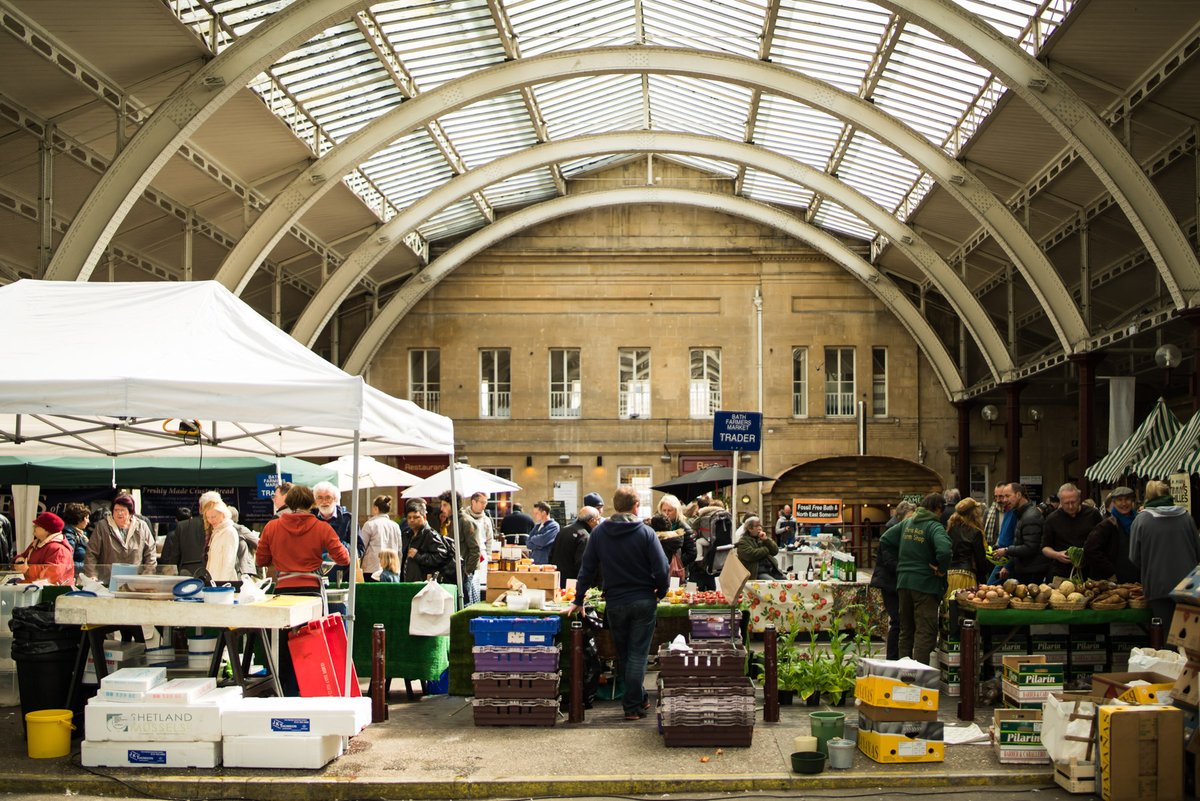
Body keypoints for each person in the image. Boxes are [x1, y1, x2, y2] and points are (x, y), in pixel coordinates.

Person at [568, 486, 669, 721]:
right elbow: (662, 568)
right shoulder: (646, 532)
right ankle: (633, 705)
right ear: (636, 506)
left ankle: (639, 698)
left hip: (614, 602)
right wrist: (661, 592)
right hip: (643, 600)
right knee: (637, 655)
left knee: (625, 656)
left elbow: (587, 568)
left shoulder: (600, 534)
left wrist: (579, 598)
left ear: (615, 506)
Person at [255, 484, 349, 696]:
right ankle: (310, 689)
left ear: (289, 504)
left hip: (284, 591)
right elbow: (344, 558)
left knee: (283, 644)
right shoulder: (322, 527)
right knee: (311, 643)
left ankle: (285, 692)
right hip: (311, 592)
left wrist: (280, 556)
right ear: (312, 504)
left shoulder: (272, 527)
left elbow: (261, 559)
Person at [878, 493, 950, 666]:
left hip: (903, 583)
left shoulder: (907, 523)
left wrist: (903, 560)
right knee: (925, 631)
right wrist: (941, 569)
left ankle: (904, 672)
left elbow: (885, 539)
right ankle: (919, 676)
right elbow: (945, 551)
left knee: (906, 630)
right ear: (938, 509)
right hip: (925, 584)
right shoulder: (934, 527)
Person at [1131, 479, 1200, 624]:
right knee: (1186, 635)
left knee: (1165, 633)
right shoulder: (1186, 518)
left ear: (1148, 497)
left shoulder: (1141, 520)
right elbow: (1197, 551)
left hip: (1157, 587)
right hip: (1189, 587)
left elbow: (1134, 557)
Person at [85, 494, 157, 578]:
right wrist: (92, 575)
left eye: (122, 510)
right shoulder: (102, 526)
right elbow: (91, 553)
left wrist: (147, 576)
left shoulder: (142, 526)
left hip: (136, 580)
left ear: (130, 512)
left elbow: (150, 553)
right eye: (116, 510)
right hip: (107, 579)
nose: (119, 513)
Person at [1041, 483, 1101, 579]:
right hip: (1061, 572)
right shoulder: (1052, 519)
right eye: (1066, 503)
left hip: (1090, 571)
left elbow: (1102, 540)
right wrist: (1057, 555)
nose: (1070, 506)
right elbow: (1045, 547)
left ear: (1079, 499)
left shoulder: (1093, 514)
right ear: (1060, 502)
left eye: (1073, 502)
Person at [872, 508, 909, 661]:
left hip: (891, 581)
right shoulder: (892, 530)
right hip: (890, 583)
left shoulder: (895, 528)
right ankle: (893, 658)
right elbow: (889, 562)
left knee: (898, 622)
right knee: (897, 622)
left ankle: (896, 657)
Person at [991, 483, 1047, 585]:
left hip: (1031, 571)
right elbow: (1019, 543)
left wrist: (1007, 550)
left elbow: (1030, 548)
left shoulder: (1030, 516)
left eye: (1007, 496)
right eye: (1003, 497)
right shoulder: (1022, 514)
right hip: (1026, 568)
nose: (1004, 500)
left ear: (1018, 495)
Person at [1084, 486, 1139, 582]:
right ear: (1113, 502)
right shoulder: (1107, 525)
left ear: (1132, 501)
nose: (1124, 503)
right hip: (1116, 582)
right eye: (1119, 500)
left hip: (1136, 579)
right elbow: (1090, 549)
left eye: (1127, 499)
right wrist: (1110, 572)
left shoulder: (1138, 522)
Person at [161, 490, 221, 577]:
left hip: (187, 577)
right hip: (216, 577)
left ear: (200, 508)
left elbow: (174, 558)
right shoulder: (223, 527)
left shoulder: (182, 526)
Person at [312, 481, 361, 584]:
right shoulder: (310, 519)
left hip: (342, 578)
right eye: (320, 498)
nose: (324, 501)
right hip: (315, 578)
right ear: (315, 501)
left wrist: (342, 549)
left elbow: (360, 549)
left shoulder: (348, 519)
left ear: (335, 499)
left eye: (328, 497)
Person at [439, 492, 481, 603]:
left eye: (445, 505)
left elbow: (475, 550)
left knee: (465, 603)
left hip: (464, 573)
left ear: (453, 505)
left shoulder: (465, 521)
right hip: (453, 572)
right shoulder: (451, 521)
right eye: (441, 505)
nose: (441, 508)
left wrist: (467, 571)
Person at [944, 497, 990, 600]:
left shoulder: (950, 529)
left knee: (950, 610)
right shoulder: (975, 532)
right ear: (974, 513)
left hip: (949, 576)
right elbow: (980, 561)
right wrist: (983, 577)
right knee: (966, 610)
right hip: (966, 576)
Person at [12, 512, 73, 584]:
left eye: (37, 525)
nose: (33, 527)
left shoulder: (58, 549)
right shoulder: (36, 543)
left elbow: (53, 573)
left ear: (47, 530)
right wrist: (19, 559)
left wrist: (28, 570)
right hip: (31, 588)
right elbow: (23, 556)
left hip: (49, 592)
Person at [401, 500, 452, 583]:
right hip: (410, 583)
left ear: (424, 517)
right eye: (409, 517)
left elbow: (441, 555)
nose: (412, 520)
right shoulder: (408, 534)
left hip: (424, 585)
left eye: (416, 517)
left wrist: (418, 556)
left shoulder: (430, 534)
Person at [550, 506, 600, 586]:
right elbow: (581, 563)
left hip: (557, 579)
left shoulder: (563, 530)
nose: (598, 523)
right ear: (591, 520)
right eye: (598, 519)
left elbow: (551, 554)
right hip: (572, 583)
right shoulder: (584, 536)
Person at [649, 494, 696, 579]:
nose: (666, 513)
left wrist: (676, 563)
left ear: (677, 510)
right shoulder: (656, 525)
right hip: (658, 572)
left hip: (677, 573)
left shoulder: (685, 528)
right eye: (664, 510)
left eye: (669, 510)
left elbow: (692, 553)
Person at [361, 495, 403, 582]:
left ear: (376, 508)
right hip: (393, 568)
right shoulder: (395, 526)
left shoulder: (370, 524)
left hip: (372, 568)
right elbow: (399, 550)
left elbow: (361, 547)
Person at [203, 501, 240, 582]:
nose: (211, 520)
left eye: (213, 516)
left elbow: (229, 562)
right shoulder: (216, 532)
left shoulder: (229, 532)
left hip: (223, 584)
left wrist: (222, 585)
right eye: (208, 517)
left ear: (223, 514)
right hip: (213, 582)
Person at [60, 503, 90, 578]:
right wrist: (89, 566)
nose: (88, 521)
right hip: (72, 577)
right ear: (79, 519)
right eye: (87, 518)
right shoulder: (69, 536)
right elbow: (68, 563)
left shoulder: (81, 534)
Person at [982, 482, 1008, 547]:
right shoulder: (988, 513)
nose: (998, 500)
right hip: (992, 551)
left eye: (1001, 496)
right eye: (996, 496)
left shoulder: (1013, 512)